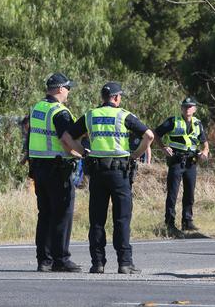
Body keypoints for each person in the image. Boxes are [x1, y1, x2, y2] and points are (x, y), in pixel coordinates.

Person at [62, 82, 154, 274]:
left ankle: (97, 263)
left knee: (97, 219)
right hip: (120, 173)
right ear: (116, 98)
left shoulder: (90, 115)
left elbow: (67, 137)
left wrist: (83, 152)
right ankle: (125, 263)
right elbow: (149, 135)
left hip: (97, 172)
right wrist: (135, 155)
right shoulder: (124, 115)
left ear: (103, 98)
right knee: (121, 218)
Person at [28, 73, 83, 272]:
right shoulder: (60, 112)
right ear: (60, 89)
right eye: (68, 88)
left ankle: (44, 260)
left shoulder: (38, 108)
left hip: (39, 168)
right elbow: (66, 140)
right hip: (57, 169)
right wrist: (81, 154)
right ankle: (61, 259)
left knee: (45, 214)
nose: (69, 92)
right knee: (62, 214)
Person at [154, 97, 209, 238]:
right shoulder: (173, 121)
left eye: (190, 106)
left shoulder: (198, 123)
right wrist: (163, 147)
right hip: (177, 161)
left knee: (189, 193)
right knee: (172, 193)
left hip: (191, 162)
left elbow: (204, 142)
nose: (187, 109)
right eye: (185, 106)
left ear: (195, 109)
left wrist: (205, 152)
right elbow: (155, 134)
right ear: (181, 108)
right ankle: (170, 223)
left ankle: (187, 221)